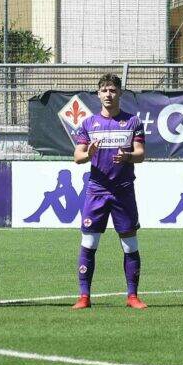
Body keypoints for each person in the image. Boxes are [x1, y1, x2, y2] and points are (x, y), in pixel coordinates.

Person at [72, 73, 147, 310]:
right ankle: (84, 296)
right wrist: (89, 155)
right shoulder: (88, 123)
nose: (108, 94)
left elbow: (141, 154)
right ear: (98, 94)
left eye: (112, 90)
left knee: (129, 245)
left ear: (120, 93)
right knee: (89, 243)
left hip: (123, 191)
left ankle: (132, 296)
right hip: (97, 191)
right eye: (104, 90)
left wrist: (127, 156)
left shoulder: (133, 121)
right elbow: (78, 157)